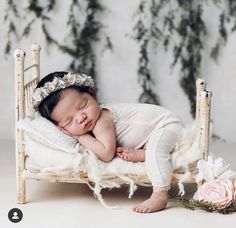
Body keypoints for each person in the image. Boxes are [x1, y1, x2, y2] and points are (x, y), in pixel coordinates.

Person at [32, 71, 184, 213]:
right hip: (152, 134)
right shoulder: (90, 120)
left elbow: (106, 154)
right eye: (69, 121)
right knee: (154, 148)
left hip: (166, 126)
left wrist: (80, 137)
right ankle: (143, 154)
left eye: (83, 106)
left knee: (157, 151)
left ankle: (160, 195)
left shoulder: (103, 119)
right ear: (60, 127)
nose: (81, 118)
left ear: (93, 95)